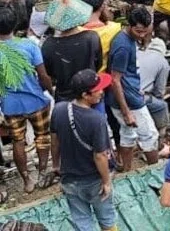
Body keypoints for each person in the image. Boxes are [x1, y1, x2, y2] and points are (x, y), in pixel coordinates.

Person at [49, 69, 117, 231]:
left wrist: (56, 165)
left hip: (70, 180)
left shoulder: (58, 110)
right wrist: (106, 182)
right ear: (86, 95)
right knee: (107, 218)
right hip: (94, 180)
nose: (101, 92)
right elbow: (100, 156)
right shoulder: (96, 120)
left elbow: (54, 140)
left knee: (82, 221)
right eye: (97, 90)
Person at [0, 7, 55, 192]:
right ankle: (41, 173)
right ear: (15, 25)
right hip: (36, 101)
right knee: (42, 137)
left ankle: (26, 181)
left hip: (10, 105)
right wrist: (50, 91)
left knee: (18, 141)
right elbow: (43, 75)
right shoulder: (29, 45)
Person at [107, 7, 160, 171]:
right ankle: (156, 172)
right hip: (129, 101)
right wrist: (126, 111)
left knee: (127, 135)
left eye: (145, 31)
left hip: (128, 93)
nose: (142, 35)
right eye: (138, 31)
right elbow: (115, 80)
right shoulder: (123, 46)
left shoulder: (127, 39)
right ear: (129, 25)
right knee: (150, 136)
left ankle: (127, 171)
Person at [41, 1, 103, 102]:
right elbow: (98, 64)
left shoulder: (48, 45)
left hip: (63, 97)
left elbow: (49, 73)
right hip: (90, 93)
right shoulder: (91, 38)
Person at [81, 0, 122, 73]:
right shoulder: (115, 28)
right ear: (101, 6)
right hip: (104, 77)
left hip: (80, 77)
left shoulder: (74, 31)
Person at [137, 36, 169, 136]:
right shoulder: (163, 61)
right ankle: (160, 141)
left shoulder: (138, 53)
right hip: (141, 96)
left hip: (127, 92)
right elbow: (159, 92)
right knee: (162, 106)